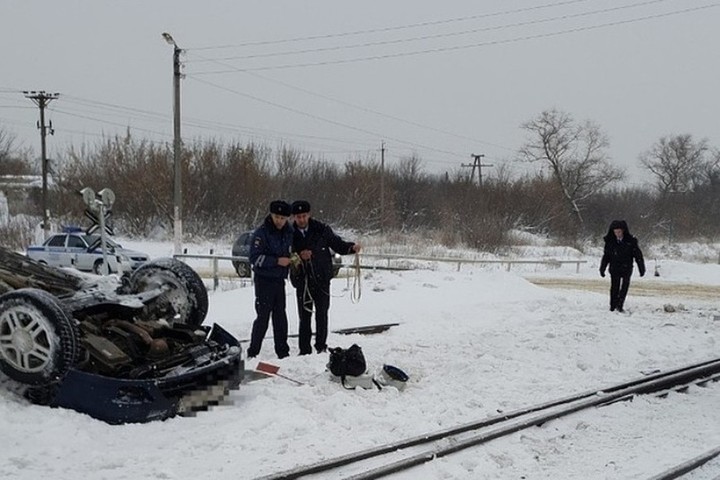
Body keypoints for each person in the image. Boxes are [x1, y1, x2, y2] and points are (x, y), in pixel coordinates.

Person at [289, 200, 361, 355]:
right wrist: (299, 256)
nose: (301, 219)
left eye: (304, 216)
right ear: (294, 217)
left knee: (322, 314)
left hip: (322, 279)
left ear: (309, 215)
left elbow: (338, 244)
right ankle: (304, 349)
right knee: (304, 316)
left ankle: (321, 346)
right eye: (298, 217)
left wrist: (351, 248)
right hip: (303, 280)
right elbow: (287, 255)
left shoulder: (321, 229)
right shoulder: (289, 233)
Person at [246, 200, 293, 359]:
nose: (279, 221)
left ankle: (283, 352)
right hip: (264, 280)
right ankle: (253, 352)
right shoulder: (261, 233)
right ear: (272, 215)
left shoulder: (288, 232)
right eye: (277, 217)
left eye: (283, 218)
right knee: (263, 317)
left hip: (279, 280)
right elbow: (254, 258)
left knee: (280, 317)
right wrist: (276, 261)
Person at [599, 219, 645, 312]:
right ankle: (613, 305)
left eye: (619, 231)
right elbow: (606, 256)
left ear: (623, 231)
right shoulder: (610, 242)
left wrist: (641, 268)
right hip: (614, 268)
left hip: (626, 267)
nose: (617, 234)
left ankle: (620, 305)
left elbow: (638, 255)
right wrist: (602, 268)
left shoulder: (631, 241)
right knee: (614, 287)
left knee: (624, 287)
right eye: (615, 232)